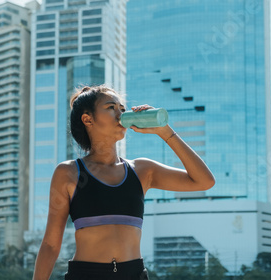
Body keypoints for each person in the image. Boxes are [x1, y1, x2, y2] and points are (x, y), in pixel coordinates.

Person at [32, 85, 215, 280]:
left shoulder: (143, 170)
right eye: (111, 107)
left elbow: (204, 181)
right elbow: (51, 244)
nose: (120, 114)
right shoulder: (68, 173)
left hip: (134, 275)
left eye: (122, 109)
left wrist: (164, 131)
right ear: (88, 119)